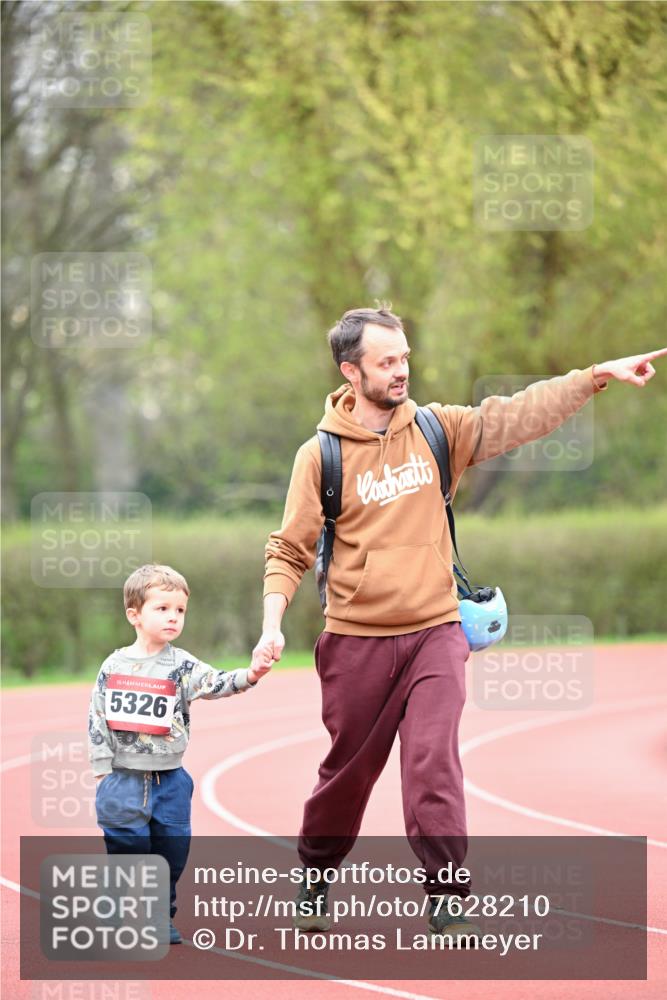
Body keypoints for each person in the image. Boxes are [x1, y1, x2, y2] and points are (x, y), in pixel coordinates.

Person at [255, 305, 666, 942]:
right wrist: (271, 624)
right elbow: (289, 547)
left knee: (433, 763)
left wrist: (593, 376)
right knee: (347, 776)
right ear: (350, 370)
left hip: (436, 632)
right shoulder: (321, 457)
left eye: (405, 358)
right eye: (386, 362)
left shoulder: (439, 429)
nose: (401, 372)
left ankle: (447, 892)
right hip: (357, 641)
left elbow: (515, 414)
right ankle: (315, 872)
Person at [88, 563, 272, 945]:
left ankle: (158, 914)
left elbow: (215, 682)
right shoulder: (114, 665)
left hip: (170, 779)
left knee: (172, 850)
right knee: (129, 845)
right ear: (134, 615)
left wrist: (250, 674)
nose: (173, 617)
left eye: (180, 611)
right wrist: (102, 768)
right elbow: (97, 715)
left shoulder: (182, 665)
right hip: (123, 777)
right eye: (162, 609)